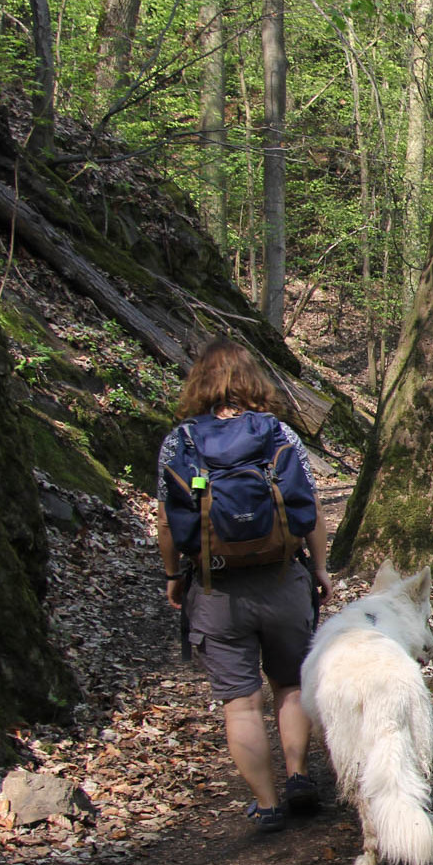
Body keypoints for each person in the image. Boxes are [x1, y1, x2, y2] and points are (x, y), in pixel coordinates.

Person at [155, 339, 333, 832]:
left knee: (240, 702)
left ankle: (267, 804)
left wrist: (173, 575)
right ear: (253, 380)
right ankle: (298, 774)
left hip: (217, 588)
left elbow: (167, 521)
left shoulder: (180, 442)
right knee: (291, 684)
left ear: (199, 383)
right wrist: (319, 568)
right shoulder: (277, 433)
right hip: (282, 578)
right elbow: (310, 506)